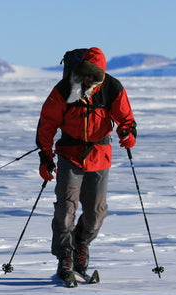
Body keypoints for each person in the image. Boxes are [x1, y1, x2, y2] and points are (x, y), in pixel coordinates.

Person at [35, 47, 137, 281]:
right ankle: (65, 257)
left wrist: (128, 132)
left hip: (100, 156)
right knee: (66, 208)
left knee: (96, 213)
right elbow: (47, 124)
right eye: (85, 72)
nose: (88, 78)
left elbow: (126, 118)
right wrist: (46, 156)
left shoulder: (112, 88)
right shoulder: (65, 89)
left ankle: (81, 245)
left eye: (93, 74)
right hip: (70, 155)